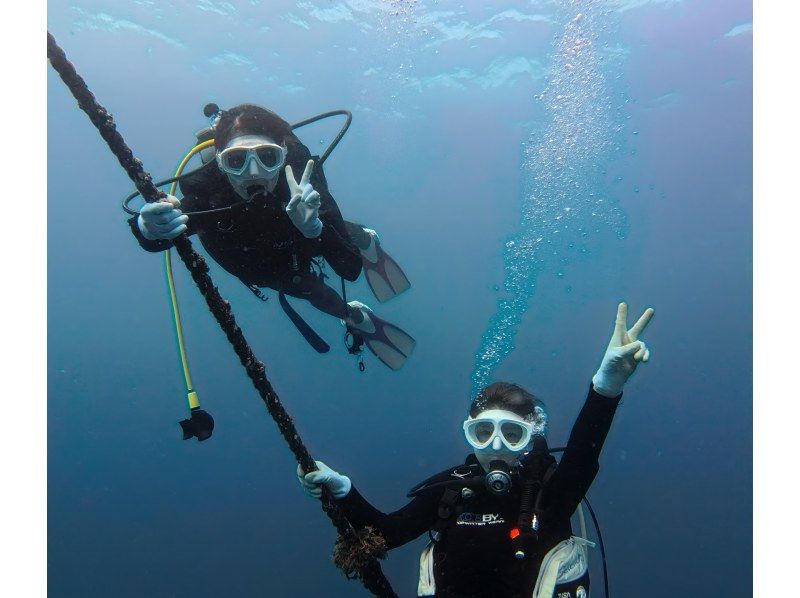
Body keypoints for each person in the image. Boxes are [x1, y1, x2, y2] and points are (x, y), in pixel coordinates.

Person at [297, 302, 654, 597]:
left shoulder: (548, 493)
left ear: (530, 438)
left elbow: (582, 459)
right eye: (483, 432)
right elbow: (387, 534)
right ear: (468, 434)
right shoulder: (452, 490)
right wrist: (342, 488)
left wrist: (605, 389)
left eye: (511, 433)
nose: (495, 445)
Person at [128, 103, 414, 370]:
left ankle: (365, 239)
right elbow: (164, 233)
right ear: (219, 162)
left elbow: (349, 269)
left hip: (301, 240)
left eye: (267, 158)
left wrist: (314, 229)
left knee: (331, 227)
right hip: (261, 266)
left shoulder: (301, 181)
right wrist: (147, 227)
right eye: (236, 160)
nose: (253, 173)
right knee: (311, 289)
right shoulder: (208, 193)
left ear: (283, 156)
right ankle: (351, 315)